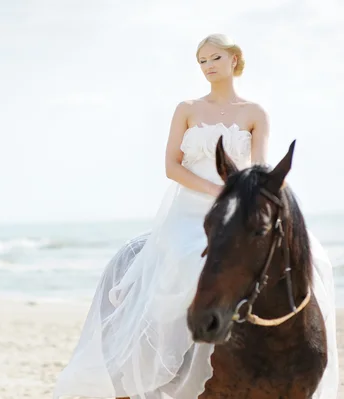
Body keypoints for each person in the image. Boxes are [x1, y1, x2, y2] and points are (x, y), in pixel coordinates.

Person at [52, 33, 339, 399]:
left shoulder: (255, 113)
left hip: (239, 207)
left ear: (234, 59)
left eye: (214, 58)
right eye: (201, 61)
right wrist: (219, 192)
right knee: (191, 264)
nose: (207, 67)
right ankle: (172, 366)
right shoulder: (187, 108)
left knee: (316, 258)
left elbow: (260, 167)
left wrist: (240, 198)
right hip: (189, 209)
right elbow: (171, 166)